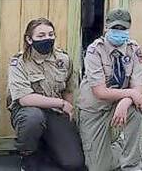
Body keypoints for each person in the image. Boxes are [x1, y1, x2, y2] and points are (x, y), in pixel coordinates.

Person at [7, 18, 85, 170]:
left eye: (51, 34)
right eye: (41, 36)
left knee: (73, 163)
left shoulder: (63, 59)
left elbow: (68, 89)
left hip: (55, 113)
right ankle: (27, 153)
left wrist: (69, 115)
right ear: (29, 39)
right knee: (33, 119)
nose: (47, 39)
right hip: (28, 111)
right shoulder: (19, 62)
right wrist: (61, 103)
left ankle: (46, 145)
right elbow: (24, 99)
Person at [79, 8, 142, 171]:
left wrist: (125, 101)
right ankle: (117, 146)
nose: (119, 32)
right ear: (106, 28)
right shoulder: (95, 50)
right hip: (96, 110)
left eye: (123, 29)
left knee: (139, 108)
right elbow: (100, 92)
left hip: (119, 106)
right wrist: (130, 94)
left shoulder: (134, 49)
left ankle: (132, 165)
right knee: (98, 167)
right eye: (115, 28)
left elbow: (139, 89)